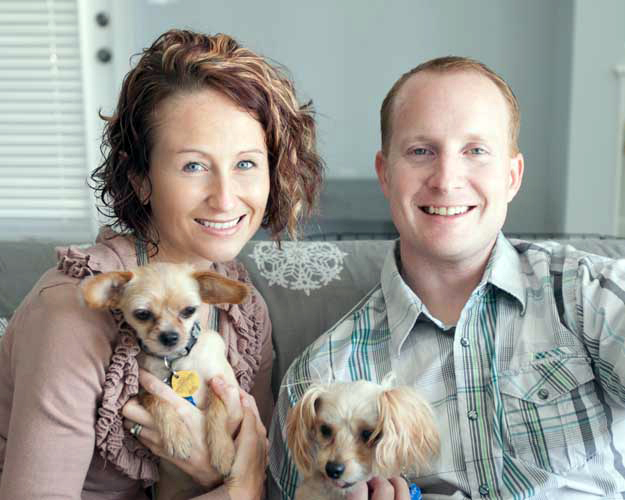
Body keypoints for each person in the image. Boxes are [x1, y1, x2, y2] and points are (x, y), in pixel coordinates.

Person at [269, 55, 625, 499]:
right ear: (385, 173)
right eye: (421, 151)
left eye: (475, 151)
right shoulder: (321, 377)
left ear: (512, 177)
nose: (446, 179)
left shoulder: (590, 296)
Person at [0, 29, 323, 499]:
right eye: (194, 165)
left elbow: (262, 474)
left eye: (247, 164)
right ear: (142, 180)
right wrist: (234, 489)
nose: (226, 197)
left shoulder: (240, 306)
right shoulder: (72, 312)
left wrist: (220, 479)